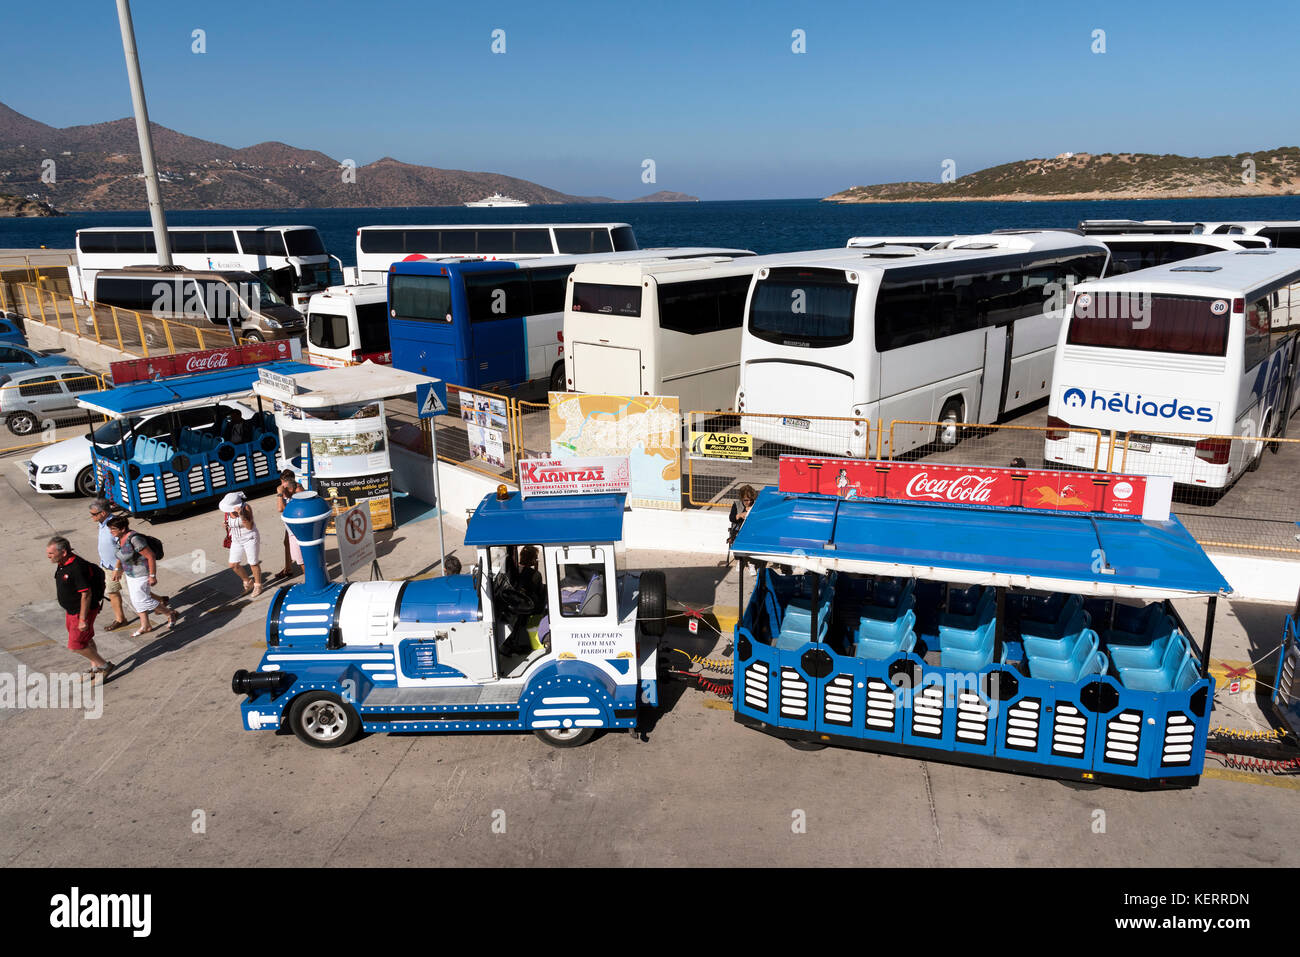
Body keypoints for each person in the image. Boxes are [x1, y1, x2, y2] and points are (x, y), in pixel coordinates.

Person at [47, 536, 114, 678]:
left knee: (75, 645)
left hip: (82, 611)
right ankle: (95, 667)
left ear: (63, 552)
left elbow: (86, 594)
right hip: (71, 611)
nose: (48, 556)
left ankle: (104, 666)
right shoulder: (62, 563)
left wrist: (83, 619)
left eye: (51, 553)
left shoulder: (77, 567)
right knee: (86, 640)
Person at [106, 516, 178, 636]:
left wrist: (152, 575)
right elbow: (120, 555)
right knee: (136, 601)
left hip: (141, 573)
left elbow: (150, 556)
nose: (111, 531)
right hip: (130, 573)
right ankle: (145, 625)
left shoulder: (135, 539)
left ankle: (170, 613)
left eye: (113, 529)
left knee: (143, 600)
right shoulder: (119, 538)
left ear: (123, 528)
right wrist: (118, 569)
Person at [89, 499, 131, 631]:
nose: (92, 516)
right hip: (107, 567)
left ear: (103, 513)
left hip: (121, 568)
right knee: (112, 592)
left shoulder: (113, 525)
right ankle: (120, 619)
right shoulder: (102, 524)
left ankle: (164, 610)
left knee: (135, 595)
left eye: (94, 514)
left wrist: (118, 567)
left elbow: (123, 548)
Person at [220, 492, 263, 596]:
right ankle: (248, 582)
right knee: (233, 564)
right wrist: (225, 525)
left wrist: (241, 515)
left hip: (250, 538)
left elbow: (249, 526)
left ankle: (258, 585)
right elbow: (229, 524)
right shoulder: (227, 512)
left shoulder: (246, 508)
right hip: (236, 540)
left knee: (253, 563)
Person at [275, 470, 303, 578]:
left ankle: (290, 568)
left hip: (297, 524)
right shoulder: (284, 489)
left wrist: (279, 494)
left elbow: (280, 508)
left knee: (300, 555)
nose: (282, 484)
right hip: (289, 523)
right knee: (286, 542)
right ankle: (288, 568)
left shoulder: (298, 490)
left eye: (283, 481)